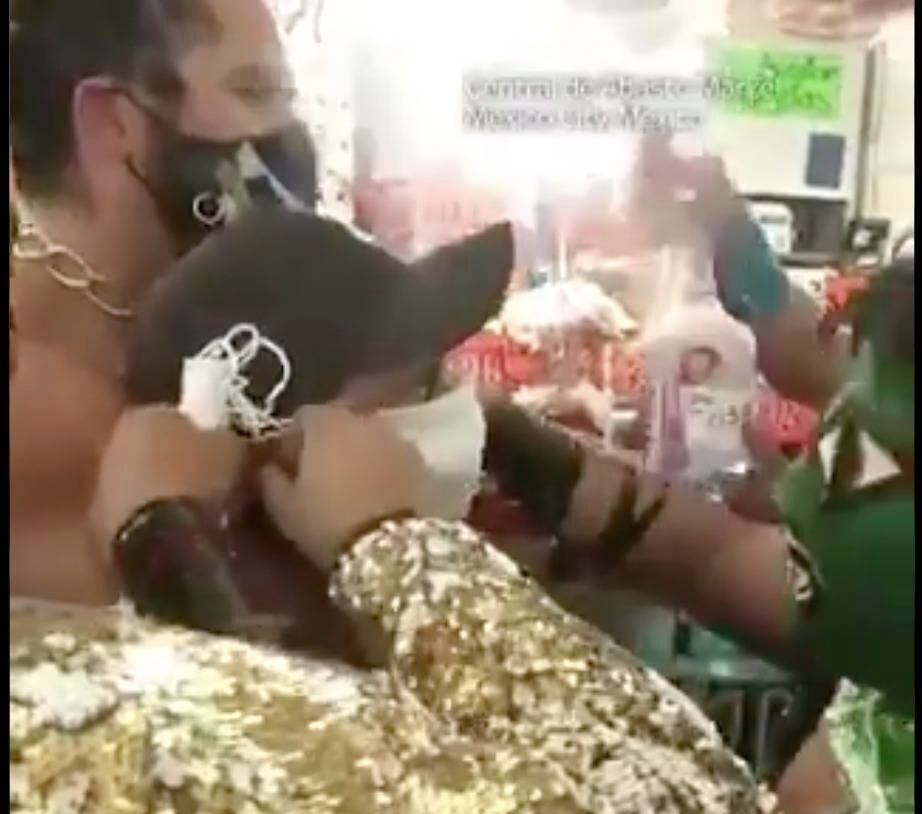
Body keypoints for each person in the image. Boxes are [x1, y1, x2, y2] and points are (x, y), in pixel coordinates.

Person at [10, 297, 778, 812]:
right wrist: (396, 549)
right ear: (274, 474)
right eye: (426, 389)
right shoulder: (101, 726)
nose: (464, 407)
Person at [93, 210, 513, 660]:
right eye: (421, 387)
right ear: (275, 458)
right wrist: (388, 550)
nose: (455, 400)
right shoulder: (284, 674)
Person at [10, 0, 317, 603]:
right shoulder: (28, 411)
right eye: (254, 91)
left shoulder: (264, 351)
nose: (289, 134)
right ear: (113, 123)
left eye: (287, 98)